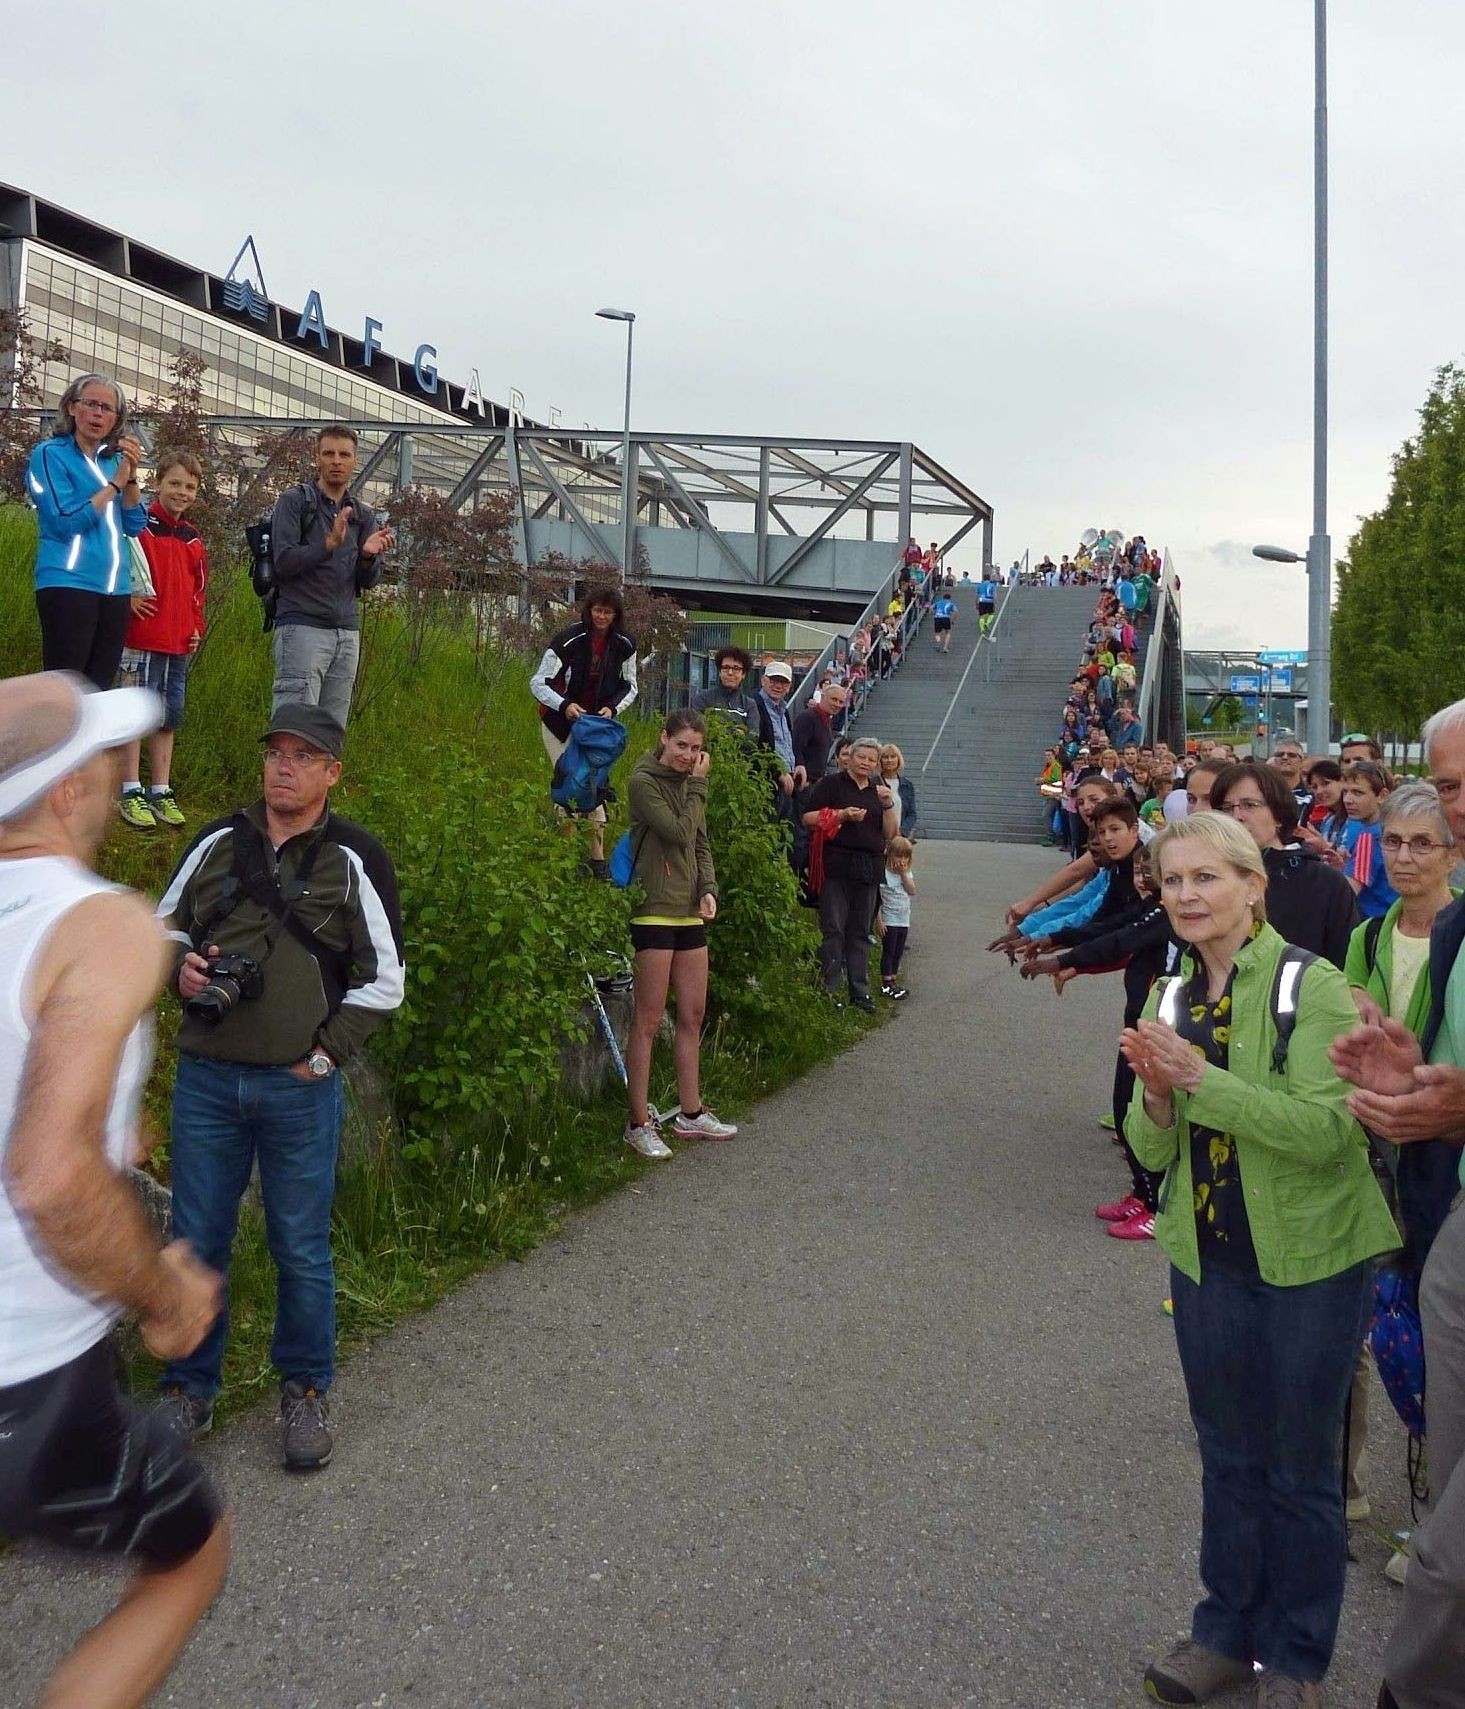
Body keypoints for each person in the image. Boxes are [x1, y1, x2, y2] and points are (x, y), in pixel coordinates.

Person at [1123, 812, 1398, 1709]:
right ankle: (1222, 1634)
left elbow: (1327, 1132)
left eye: (1207, 878)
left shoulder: (1308, 985)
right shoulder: (1167, 994)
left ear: (1252, 887)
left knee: (1299, 1465)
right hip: (1207, 1256)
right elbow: (1151, 1153)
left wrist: (1202, 1082)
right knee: (1226, 1455)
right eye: (1172, 881)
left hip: (1312, 1259)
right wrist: (1159, 1102)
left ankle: (1296, 1656)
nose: (1188, 896)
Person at [0, 672, 230, 1709]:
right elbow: (50, 1176)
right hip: (26, 1373)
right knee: (189, 1554)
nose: (113, 771)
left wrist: (111, 1120)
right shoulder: (103, 922)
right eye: (101, 755)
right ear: (66, 794)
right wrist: (163, 1292)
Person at [154, 703, 406, 1470]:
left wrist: (327, 1055)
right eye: (276, 753)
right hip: (206, 1080)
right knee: (195, 1239)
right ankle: (187, 1388)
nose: (284, 766)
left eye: (304, 755)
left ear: (333, 771)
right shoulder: (216, 844)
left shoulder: (356, 856)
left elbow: (385, 980)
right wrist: (180, 964)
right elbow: (160, 927)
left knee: (299, 1246)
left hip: (299, 1086)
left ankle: (304, 1393)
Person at [1328, 699, 1465, 1709]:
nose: (1419, 849)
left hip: (1433, 1168)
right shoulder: (1396, 932)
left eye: (1434, 827)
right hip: (1417, 1168)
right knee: (1405, 1332)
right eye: (1404, 836)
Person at [624, 710, 736, 1157]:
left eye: (695, 749)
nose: (688, 757)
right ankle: (637, 1123)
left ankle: (691, 1113)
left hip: (689, 912)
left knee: (692, 1015)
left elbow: (700, 842)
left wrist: (707, 887)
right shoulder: (643, 781)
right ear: (663, 739)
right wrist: (699, 786)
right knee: (649, 1021)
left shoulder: (690, 785)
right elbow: (677, 830)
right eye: (681, 747)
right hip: (653, 911)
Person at [25, 372, 148, 690]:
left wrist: (130, 477)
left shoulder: (113, 462)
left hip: (115, 590)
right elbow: (65, 521)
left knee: (98, 690)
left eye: (108, 409)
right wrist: (114, 486)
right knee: (65, 690)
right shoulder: (50, 454)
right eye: (91, 404)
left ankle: (91, 743)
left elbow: (135, 525)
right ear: (70, 407)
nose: (98, 414)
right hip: (69, 582)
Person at [268, 424, 395, 726]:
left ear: (355, 461)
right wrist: (327, 544)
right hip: (302, 627)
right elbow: (283, 561)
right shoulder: (295, 501)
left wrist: (366, 556)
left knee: (330, 731)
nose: (336, 460)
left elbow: (367, 582)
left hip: (346, 633)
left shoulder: (362, 514)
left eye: (344, 454)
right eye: (329, 454)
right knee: (294, 727)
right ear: (318, 458)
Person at [117, 451, 209, 831]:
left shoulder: (192, 539)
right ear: (158, 482)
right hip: (141, 636)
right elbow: (121, 563)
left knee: (167, 717)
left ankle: (160, 788)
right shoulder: (141, 526)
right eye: (174, 483)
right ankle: (129, 788)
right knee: (135, 714)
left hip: (177, 642)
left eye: (190, 486)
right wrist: (127, 597)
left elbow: (198, 590)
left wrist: (195, 626)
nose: (181, 492)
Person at [531, 584, 639, 877]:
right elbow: (538, 682)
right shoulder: (568, 640)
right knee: (569, 786)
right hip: (560, 725)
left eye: (608, 611)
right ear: (589, 611)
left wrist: (613, 709)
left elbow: (630, 685)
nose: (602, 616)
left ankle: (597, 861)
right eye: (597, 610)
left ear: (616, 615)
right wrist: (564, 705)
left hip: (595, 730)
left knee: (594, 788)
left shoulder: (625, 645)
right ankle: (567, 859)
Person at [1210, 760, 1358, 969]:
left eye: (1249, 805)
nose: (1237, 817)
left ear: (1278, 814)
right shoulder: (1208, 881)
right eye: (1226, 808)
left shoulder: (1323, 883)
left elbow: (1345, 966)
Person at [802, 735, 900, 1012]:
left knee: (860, 931)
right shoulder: (830, 784)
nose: (866, 763)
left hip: (869, 866)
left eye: (872, 759)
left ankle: (860, 992)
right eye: (862, 757)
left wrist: (888, 805)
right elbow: (808, 819)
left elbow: (891, 834)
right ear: (850, 757)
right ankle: (828, 991)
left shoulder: (879, 789)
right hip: (836, 863)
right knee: (833, 929)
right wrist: (841, 815)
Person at [1338, 760, 1399, 920]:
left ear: (1382, 795)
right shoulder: (1392, 829)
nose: (1348, 800)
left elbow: (1348, 892)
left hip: (1372, 922)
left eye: (1358, 793)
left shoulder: (1369, 837)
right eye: (1345, 792)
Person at [754, 660, 798, 810]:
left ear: (789, 687)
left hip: (785, 782)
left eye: (784, 683)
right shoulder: (754, 706)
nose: (778, 686)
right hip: (766, 782)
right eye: (774, 680)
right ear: (763, 681)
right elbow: (756, 746)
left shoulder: (783, 710)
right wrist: (777, 772)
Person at [691, 645, 761, 737]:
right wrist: (738, 734)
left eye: (736, 668)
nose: (730, 673)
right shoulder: (702, 698)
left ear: (743, 674)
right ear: (719, 672)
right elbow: (698, 732)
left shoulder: (749, 705)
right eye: (726, 668)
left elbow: (753, 738)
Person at [878, 836, 916, 1000]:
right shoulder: (884, 874)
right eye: (898, 856)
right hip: (889, 918)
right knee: (889, 949)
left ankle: (893, 978)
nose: (902, 860)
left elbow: (912, 890)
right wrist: (878, 920)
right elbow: (876, 898)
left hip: (903, 918)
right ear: (890, 855)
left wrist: (903, 874)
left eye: (905, 857)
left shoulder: (906, 873)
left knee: (899, 950)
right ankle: (886, 982)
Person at [792, 680, 846, 790]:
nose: (837, 704)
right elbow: (796, 747)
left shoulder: (826, 720)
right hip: (803, 782)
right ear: (823, 697)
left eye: (841, 702)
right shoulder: (808, 718)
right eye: (834, 699)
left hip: (815, 782)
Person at [878, 742, 917, 838]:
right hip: (879, 836)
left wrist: (902, 832)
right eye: (885, 757)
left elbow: (912, 814)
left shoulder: (907, 785)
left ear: (898, 759)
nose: (889, 760)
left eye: (893, 757)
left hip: (900, 838)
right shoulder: (874, 783)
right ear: (880, 760)